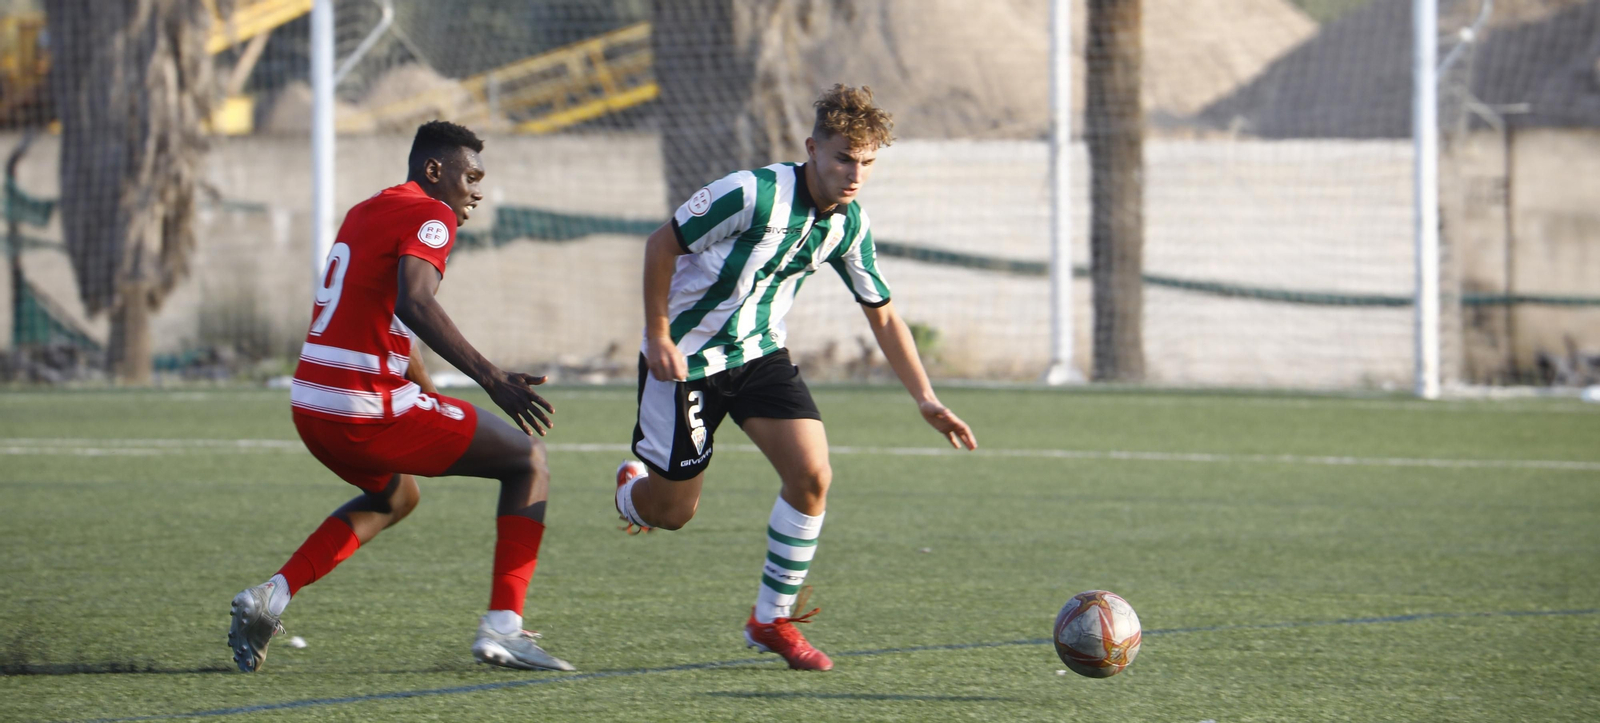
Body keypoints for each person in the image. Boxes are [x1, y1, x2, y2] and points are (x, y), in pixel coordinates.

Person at [613, 85, 979, 671]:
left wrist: (926, 398)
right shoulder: (749, 194)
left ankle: (770, 619)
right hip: (685, 360)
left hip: (759, 357)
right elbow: (661, 245)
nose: (854, 173)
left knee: (812, 475)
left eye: (866, 162)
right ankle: (633, 493)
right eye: (842, 158)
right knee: (673, 513)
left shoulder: (850, 224)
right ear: (812, 148)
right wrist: (658, 334)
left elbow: (881, 313)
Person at [228, 121, 574, 673]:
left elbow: (384, 311)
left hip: (310, 403)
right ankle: (503, 629)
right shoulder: (431, 215)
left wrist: (434, 402)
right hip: (362, 407)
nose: (476, 191)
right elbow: (415, 302)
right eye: (471, 176)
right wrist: (491, 378)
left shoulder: (366, 211)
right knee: (528, 459)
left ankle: (273, 595)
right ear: (435, 171)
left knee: (397, 496)